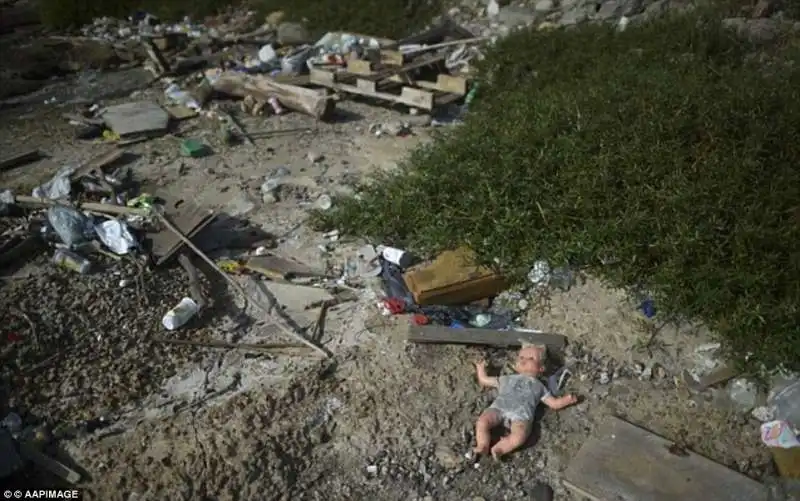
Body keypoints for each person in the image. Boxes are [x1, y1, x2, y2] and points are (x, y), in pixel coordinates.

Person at [472, 344, 578, 459]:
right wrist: (480, 368)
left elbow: (553, 403)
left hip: (521, 415)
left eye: (531, 359)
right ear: (516, 365)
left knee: (519, 436)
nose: (524, 360)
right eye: (521, 357)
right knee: (482, 421)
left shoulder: (540, 387)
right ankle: (482, 445)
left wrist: (567, 400)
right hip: (499, 407)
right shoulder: (507, 378)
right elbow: (485, 380)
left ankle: (500, 448)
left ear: (541, 368)